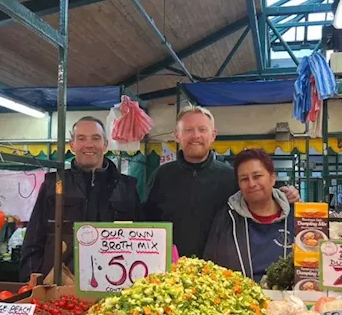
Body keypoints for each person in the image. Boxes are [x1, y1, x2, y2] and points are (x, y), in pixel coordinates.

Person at [144, 104, 300, 258]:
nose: (196, 136)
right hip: (170, 273)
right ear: (177, 135)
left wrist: (284, 194)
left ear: (213, 135)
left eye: (202, 129)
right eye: (188, 130)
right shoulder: (161, 176)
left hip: (221, 271)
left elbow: (259, 200)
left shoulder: (231, 177)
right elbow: (146, 225)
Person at [20, 117, 141, 280]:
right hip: (57, 284)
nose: (89, 144)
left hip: (113, 282)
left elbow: (140, 239)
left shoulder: (127, 187)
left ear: (105, 145)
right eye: (81, 138)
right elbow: (34, 238)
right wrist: (31, 278)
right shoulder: (54, 184)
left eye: (96, 138)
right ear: (72, 145)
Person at [203, 149, 293, 282]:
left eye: (257, 176)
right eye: (244, 179)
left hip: (291, 300)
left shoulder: (297, 218)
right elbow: (210, 267)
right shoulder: (226, 219)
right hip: (240, 298)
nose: (251, 184)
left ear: (272, 178)